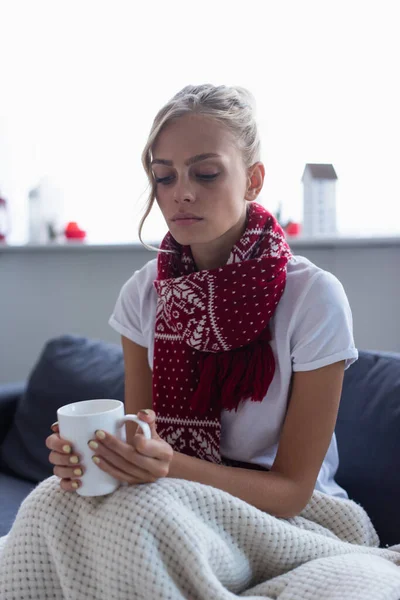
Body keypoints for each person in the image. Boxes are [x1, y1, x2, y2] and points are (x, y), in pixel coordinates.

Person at [45, 84, 358, 519]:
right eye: (164, 176)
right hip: (176, 501)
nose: (181, 193)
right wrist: (104, 457)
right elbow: (144, 437)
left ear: (253, 180)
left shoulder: (313, 298)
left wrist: (168, 466)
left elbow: (292, 492)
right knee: (52, 501)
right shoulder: (142, 293)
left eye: (206, 173)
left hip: (295, 517)